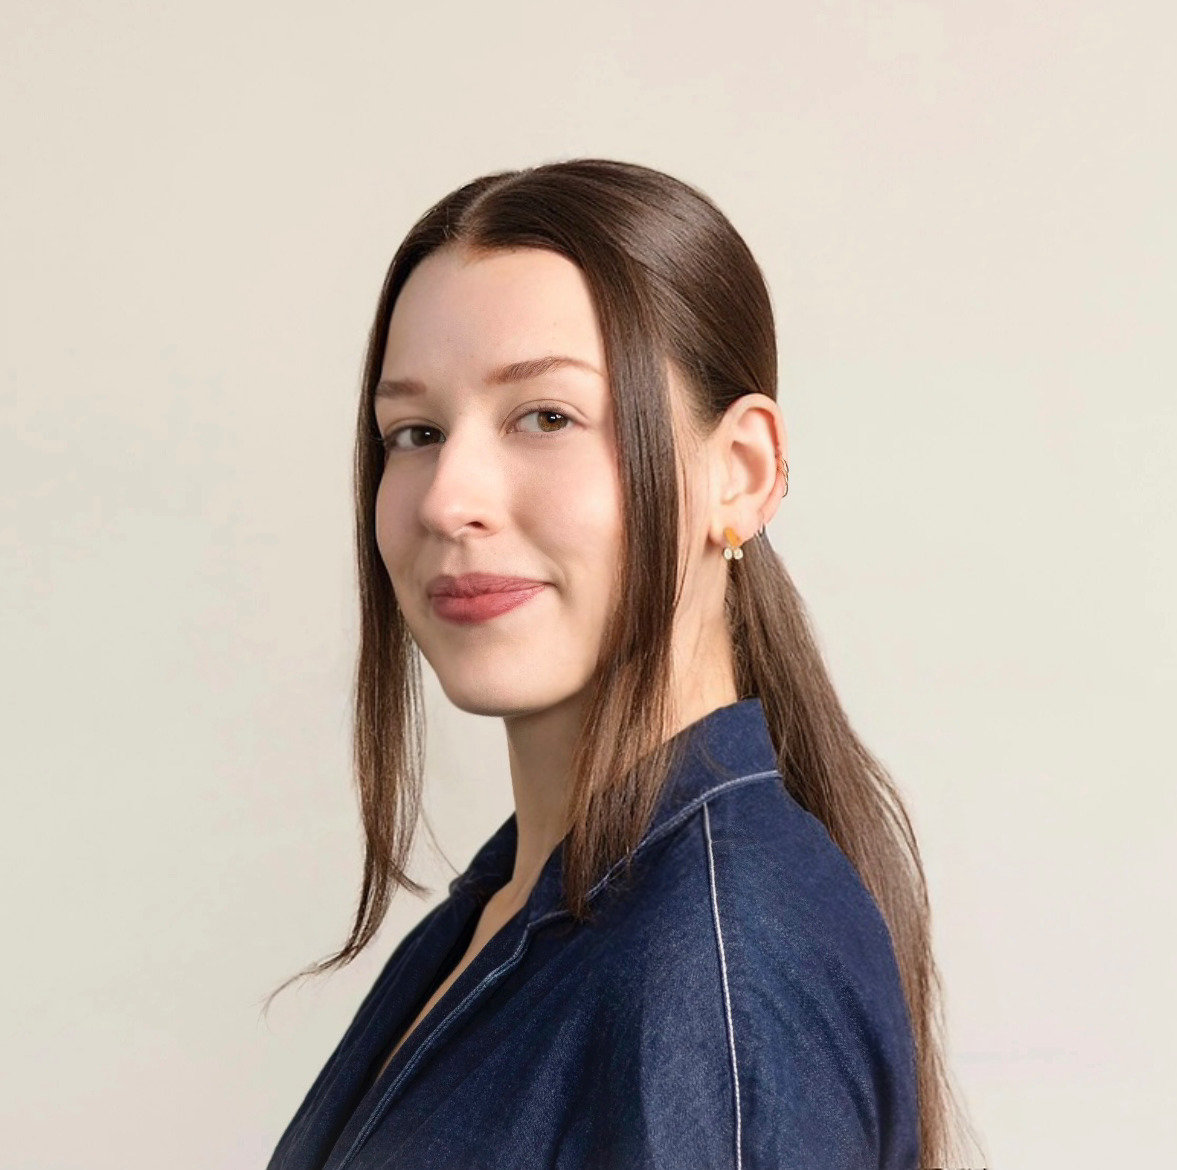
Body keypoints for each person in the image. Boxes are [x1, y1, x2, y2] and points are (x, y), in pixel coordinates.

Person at [266, 159, 971, 1170]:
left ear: (742, 473)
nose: (444, 497)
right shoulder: (518, 904)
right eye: (412, 433)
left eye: (546, 416)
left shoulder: (719, 970)